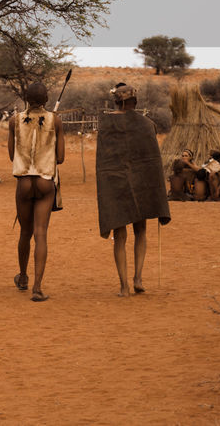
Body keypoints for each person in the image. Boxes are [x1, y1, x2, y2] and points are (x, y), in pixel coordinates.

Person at [96, 83, 171, 296]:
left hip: (116, 185)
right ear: (135, 102)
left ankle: (124, 286)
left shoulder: (107, 124)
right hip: (142, 184)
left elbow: (104, 162)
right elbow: (152, 160)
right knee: (141, 230)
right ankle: (138, 277)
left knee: (120, 236)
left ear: (116, 102)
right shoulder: (147, 124)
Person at [7, 81, 64, 302]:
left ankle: (23, 277)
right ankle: (37, 288)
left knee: (25, 232)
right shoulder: (55, 120)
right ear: (47, 99)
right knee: (41, 233)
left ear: (26, 99)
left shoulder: (15, 121)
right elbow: (60, 158)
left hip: (23, 181)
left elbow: (12, 157)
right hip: (45, 181)